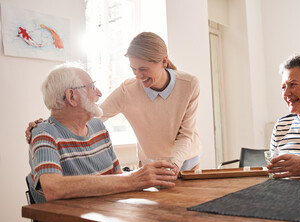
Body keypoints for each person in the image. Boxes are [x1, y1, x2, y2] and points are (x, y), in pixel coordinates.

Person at [27, 32, 201, 177]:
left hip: (186, 161)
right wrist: (47, 126)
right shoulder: (128, 90)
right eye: (133, 69)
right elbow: (94, 114)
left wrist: (174, 165)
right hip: (151, 163)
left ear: (164, 61)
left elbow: (185, 135)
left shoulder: (189, 84)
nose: (138, 76)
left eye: (143, 69)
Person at [27, 62, 177, 203]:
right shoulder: (44, 132)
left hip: (107, 213)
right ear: (71, 96)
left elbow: (117, 177)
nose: (99, 93)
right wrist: (134, 179)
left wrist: (140, 178)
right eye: (92, 87)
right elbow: (53, 188)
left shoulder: (97, 126)